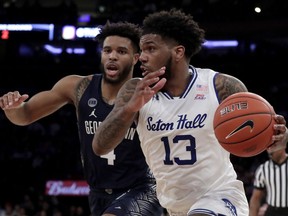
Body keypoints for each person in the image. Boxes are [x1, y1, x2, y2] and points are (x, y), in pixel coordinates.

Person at [92, 9, 288, 216]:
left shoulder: (220, 85)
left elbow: (264, 133)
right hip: (172, 205)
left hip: (220, 196)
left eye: (151, 49)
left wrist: (279, 138)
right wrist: (130, 107)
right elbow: (100, 146)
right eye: (142, 50)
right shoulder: (134, 90)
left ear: (178, 52)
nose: (142, 57)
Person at [0, 21, 163, 216]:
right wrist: (12, 108)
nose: (112, 56)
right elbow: (25, 116)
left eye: (121, 52)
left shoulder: (146, 92)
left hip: (142, 189)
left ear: (135, 58)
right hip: (97, 192)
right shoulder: (78, 87)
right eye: (107, 50)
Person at [249, 137, 288, 216]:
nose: (271, 148)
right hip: (272, 211)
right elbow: (255, 198)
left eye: (275, 144)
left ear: (284, 145)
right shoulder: (262, 169)